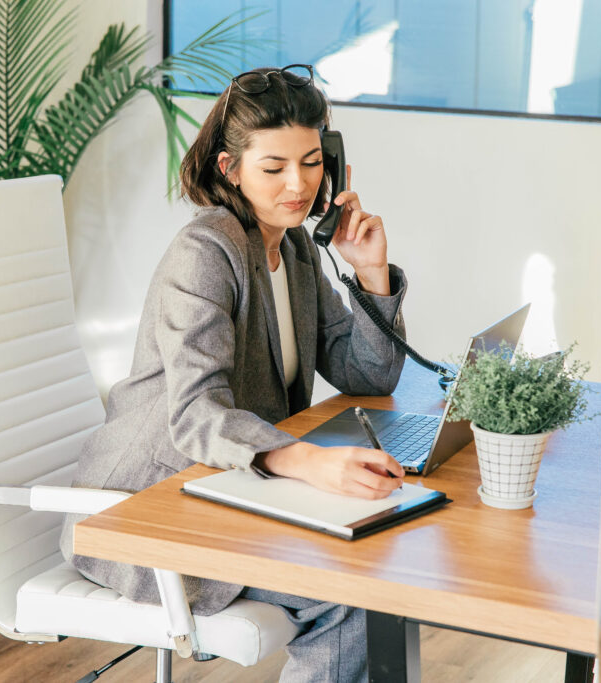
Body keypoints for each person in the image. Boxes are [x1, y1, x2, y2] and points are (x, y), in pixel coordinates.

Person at [61, 64, 409, 682]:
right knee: (351, 591)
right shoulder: (206, 253)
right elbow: (198, 415)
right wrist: (309, 461)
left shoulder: (296, 247)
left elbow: (367, 376)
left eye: (311, 162)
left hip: (230, 486)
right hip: (142, 509)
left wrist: (371, 274)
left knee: (380, 557)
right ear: (230, 168)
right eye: (273, 168)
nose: (298, 185)